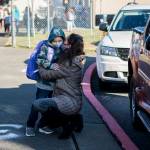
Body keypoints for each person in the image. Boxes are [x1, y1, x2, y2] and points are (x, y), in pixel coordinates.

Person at [33, 33, 85, 139]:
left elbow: (45, 75)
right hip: (73, 99)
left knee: (38, 104)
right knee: (49, 108)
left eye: (65, 44)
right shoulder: (77, 59)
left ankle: (68, 122)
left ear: (71, 46)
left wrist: (40, 62)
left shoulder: (69, 64)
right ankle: (74, 118)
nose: (62, 45)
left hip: (68, 101)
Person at [26, 26, 65, 136]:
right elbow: (40, 60)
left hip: (55, 84)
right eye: (55, 40)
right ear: (51, 39)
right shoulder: (45, 47)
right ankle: (30, 126)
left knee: (51, 106)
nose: (58, 42)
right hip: (43, 83)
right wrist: (51, 65)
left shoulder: (62, 48)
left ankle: (43, 125)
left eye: (60, 40)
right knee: (38, 104)